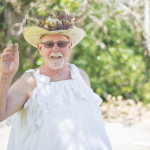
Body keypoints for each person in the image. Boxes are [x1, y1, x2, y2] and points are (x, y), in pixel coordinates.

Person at [0, 10, 112, 150]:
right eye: (48, 44)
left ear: (69, 46)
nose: (55, 49)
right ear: (40, 48)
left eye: (61, 43)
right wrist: (5, 76)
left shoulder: (81, 76)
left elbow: (90, 123)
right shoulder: (30, 82)